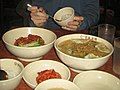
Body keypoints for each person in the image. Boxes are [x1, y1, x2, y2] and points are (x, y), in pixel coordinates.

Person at [16, 0, 99, 31]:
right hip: (45, 33)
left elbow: (93, 12)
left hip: (79, 34)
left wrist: (83, 22)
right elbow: (22, 8)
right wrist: (35, 20)